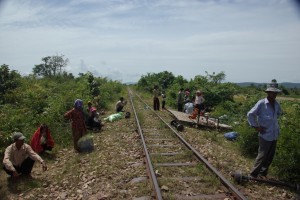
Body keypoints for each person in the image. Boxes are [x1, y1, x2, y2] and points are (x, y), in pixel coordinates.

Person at [247, 80, 282, 178]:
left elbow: (279, 114)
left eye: (275, 93)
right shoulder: (262, 103)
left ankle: (263, 173)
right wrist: (256, 126)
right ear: (268, 93)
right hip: (265, 134)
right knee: (262, 155)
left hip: (274, 134)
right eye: (272, 92)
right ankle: (253, 174)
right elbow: (250, 114)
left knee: (270, 156)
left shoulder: (276, 104)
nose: (274, 94)